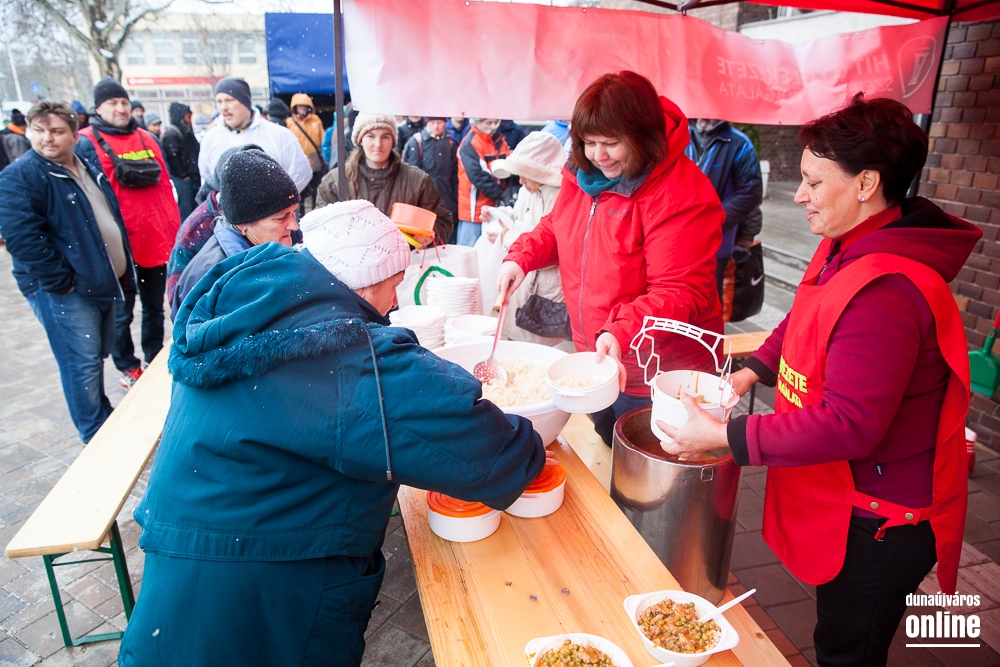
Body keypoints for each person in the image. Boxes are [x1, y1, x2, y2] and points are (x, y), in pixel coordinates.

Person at [118, 199, 545, 667]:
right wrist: (533, 439)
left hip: (178, 592)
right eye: (395, 285)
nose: (395, 302)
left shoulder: (255, 305)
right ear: (367, 280)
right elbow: (495, 453)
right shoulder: (345, 356)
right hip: (263, 608)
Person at [658, 94, 979, 667]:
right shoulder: (844, 245)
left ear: (866, 184)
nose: (798, 196)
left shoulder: (887, 290)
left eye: (812, 182)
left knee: (847, 650)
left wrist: (724, 437)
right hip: (851, 493)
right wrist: (748, 373)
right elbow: (803, 314)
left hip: (882, 518)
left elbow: (850, 424)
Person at [497, 71, 724, 447]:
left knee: (647, 466)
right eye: (589, 143)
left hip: (657, 372)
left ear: (641, 137)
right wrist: (520, 258)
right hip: (599, 356)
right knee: (606, 450)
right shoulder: (583, 175)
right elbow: (558, 225)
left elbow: (682, 290)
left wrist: (619, 331)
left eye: (611, 143)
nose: (598, 156)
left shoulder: (679, 194)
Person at [0, 101, 135, 442]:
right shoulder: (20, 176)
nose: (47, 138)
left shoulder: (83, 164)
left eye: (56, 131)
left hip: (99, 280)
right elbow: (22, 238)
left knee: (95, 355)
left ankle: (102, 418)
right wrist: (61, 283)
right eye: (39, 131)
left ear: (75, 135)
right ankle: (93, 433)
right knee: (81, 363)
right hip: (68, 291)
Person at [78, 77, 181, 390]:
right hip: (116, 245)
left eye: (124, 102)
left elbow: (165, 188)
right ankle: (127, 364)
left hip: (152, 240)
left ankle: (153, 355)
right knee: (121, 310)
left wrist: (172, 231)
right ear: (98, 108)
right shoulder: (85, 142)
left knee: (154, 306)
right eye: (113, 103)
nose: (121, 108)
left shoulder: (147, 138)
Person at [172, 147, 300, 317]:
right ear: (241, 224)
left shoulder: (263, 245)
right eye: (281, 218)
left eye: (293, 213)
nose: (294, 226)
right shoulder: (211, 280)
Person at [315, 112, 453, 244]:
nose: (378, 144)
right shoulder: (336, 181)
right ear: (360, 140)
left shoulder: (418, 181)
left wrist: (429, 236)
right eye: (370, 136)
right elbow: (318, 227)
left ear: (393, 140)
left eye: (385, 137)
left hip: (405, 260)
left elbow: (442, 223)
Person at [484, 131, 567, 344]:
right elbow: (519, 215)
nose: (520, 180)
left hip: (545, 288)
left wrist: (507, 236)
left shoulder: (561, 196)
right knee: (516, 336)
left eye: (525, 174)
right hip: (523, 278)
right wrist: (498, 213)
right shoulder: (526, 190)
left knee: (541, 345)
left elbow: (554, 246)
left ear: (540, 173)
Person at [685, 119, 763, 298]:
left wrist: (711, 221)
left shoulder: (739, 144)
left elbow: (751, 192)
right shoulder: (681, 138)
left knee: (709, 297)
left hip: (717, 240)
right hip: (680, 236)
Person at [198, 77, 311, 194]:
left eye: (229, 100)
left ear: (245, 102)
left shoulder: (279, 135)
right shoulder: (210, 138)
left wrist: (277, 200)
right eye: (219, 101)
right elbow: (207, 177)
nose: (223, 107)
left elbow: (301, 173)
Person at [456, 118, 515, 246]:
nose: (493, 127)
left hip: (497, 207)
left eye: (496, 122)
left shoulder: (500, 140)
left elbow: (510, 164)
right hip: (474, 209)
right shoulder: (470, 144)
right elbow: (478, 176)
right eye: (488, 123)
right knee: (469, 250)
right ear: (477, 122)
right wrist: (502, 194)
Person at [402, 116, 459, 223]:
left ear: (445, 123)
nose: (436, 126)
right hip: (422, 202)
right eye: (432, 123)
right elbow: (409, 176)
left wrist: (455, 199)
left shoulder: (451, 143)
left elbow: (455, 175)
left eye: (439, 122)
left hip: (447, 200)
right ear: (427, 123)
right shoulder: (416, 142)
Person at [286, 93, 327, 211]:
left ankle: (315, 209)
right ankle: (300, 211)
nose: (302, 109)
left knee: (316, 186)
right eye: (300, 106)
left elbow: (322, 138)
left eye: (305, 106)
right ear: (295, 108)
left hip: (313, 157)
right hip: (298, 157)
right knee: (299, 187)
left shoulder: (316, 120)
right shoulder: (290, 122)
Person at [162, 102, 202, 221]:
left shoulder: (186, 131)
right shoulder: (172, 134)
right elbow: (173, 158)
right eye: (187, 116)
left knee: (195, 207)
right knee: (187, 209)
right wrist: (183, 175)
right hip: (184, 179)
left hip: (192, 175)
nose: (189, 120)